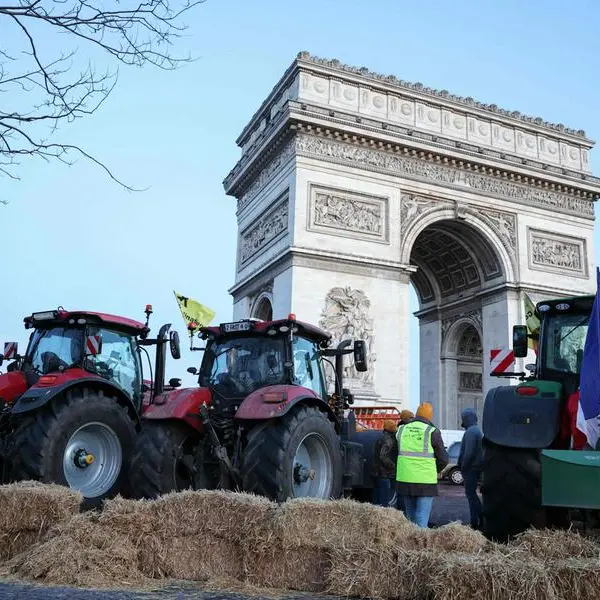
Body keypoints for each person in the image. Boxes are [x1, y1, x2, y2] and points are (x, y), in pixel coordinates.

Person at [396, 402, 449, 528]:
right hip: (425, 481)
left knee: (410, 517)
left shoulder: (401, 429)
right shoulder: (432, 431)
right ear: (430, 416)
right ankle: (419, 546)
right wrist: (435, 470)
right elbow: (443, 458)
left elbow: (393, 453)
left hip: (405, 479)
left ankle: (408, 544)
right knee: (421, 517)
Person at [457, 407, 484, 530]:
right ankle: (477, 520)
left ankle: (477, 520)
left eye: (463, 418)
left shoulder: (471, 432)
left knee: (471, 495)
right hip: (475, 467)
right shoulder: (475, 431)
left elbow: (468, 453)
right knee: (472, 495)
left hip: (471, 469)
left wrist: (463, 466)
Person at [372, 420, 398, 507]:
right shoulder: (389, 440)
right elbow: (383, 456)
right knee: (384, 501)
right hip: (384, 473)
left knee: (376, 499)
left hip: (377, 472)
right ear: (392, 429)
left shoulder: (381, 438)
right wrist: (393, 466)